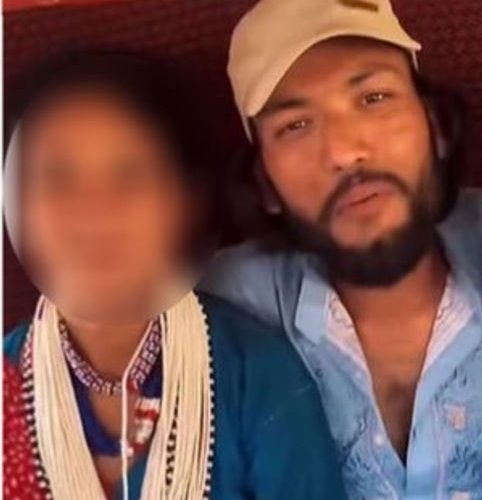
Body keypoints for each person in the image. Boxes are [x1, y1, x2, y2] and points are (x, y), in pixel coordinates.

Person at [200, 0, 482, 497]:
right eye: (295, 126)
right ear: (265, 184)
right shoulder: (218, 313)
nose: (345, 151)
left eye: (374, 97)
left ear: (436, 127)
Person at [2, 52, 346, 499]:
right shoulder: (8, 380)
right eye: (56, 175)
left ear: (186, 203)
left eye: (129, 174)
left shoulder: (256, 377)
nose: (93, 209)